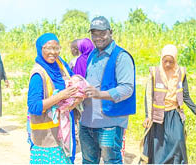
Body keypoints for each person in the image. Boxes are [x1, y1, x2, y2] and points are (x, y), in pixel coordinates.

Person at [79, 16, 136, 164]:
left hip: (109, 123)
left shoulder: (121, 57)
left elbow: (127, 88)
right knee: (88, 161)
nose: (98, 38)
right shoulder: (92, 55)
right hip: (87, 121)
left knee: (112, 161)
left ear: (111, 32)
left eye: (102, 33)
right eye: (94, 34)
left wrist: (99, 94)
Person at [27, 33, 83, 164]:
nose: (53, 52)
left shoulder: (60, 64)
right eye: (48, 48)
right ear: (40, 49)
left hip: (64, 130)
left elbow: (72, 77)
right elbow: (34, 107)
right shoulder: (38, 74)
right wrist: (61, 95)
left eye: (56, 48)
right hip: (47, 136)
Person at [140, 44, 196, 164]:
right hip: (158, 116)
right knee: (159, 148)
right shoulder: (155, 72)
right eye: (166, 61)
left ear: (175, 61)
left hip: (174, 114)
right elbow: (148, 96)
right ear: (162, 60)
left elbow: (185, 96)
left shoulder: (181, 73)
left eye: (171, 62)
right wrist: (147, 116)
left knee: (178, 141)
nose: (168, 65)